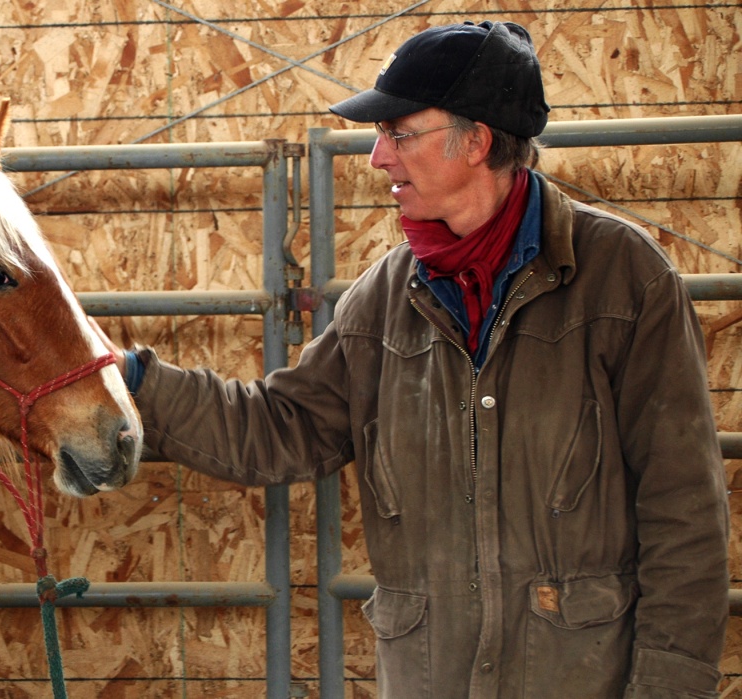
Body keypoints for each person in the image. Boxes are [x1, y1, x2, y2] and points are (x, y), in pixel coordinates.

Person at [98, 20, 731, 699]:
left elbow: (684, 509)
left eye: (399, 133)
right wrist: (128, 380)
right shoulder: (384, 300)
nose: (377, 158)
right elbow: (280, 427)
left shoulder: (624, 282)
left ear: (477, 141)